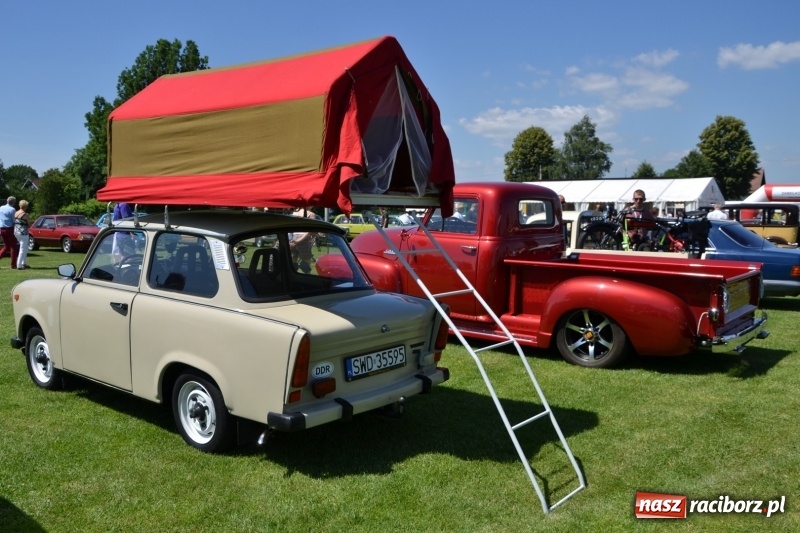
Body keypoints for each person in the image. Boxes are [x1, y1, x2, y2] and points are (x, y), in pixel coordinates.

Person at [0, 196, 19, 269]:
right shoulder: (12, 209)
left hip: (2, 228)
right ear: (13, 202)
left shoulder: (1, 208)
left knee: (6, 246)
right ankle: (13, 264)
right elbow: (13, 220)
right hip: (10, 228)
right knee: (13, 247)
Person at [14, 200, 30, 269]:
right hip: (23, 233)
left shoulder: (15, 213)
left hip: (16, 232)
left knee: (25, 247)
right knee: (23, 249)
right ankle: (19, 265)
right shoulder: (25, 215)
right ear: (26, 207)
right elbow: (29, 224)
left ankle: (23, 263)